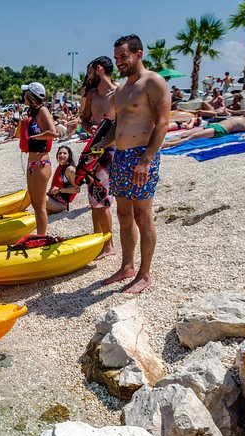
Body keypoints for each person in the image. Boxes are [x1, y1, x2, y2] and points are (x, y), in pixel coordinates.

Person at [93, 34, 171, 293]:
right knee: (123, 215)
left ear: (139, 54)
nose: (119, 62)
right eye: (116, 58)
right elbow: (118, 125)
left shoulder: (154, 82)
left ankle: (144, 274)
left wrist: (146, 161)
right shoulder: (122, 90)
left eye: (123, 57)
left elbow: (162, 123)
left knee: (142, 216)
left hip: (141, 157)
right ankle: (127, 266)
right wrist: (101, 145)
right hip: (121, 157)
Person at [80, 55, 118, 259]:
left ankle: (109, 245)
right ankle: (98, 240)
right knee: (93, 196)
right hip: (93, 149)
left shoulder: (119, 92)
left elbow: (122, 121)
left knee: (102, 199)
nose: (88, 76)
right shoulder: (93, 94)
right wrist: (90, 127)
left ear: (99, 69)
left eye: (90, 72)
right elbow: (84, 120)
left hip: (109, 151)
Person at [17, 82, 57, 235]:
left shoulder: (43, 111)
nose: (23, 96)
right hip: (31, 163)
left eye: (25, 93)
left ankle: (41, 237)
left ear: (31, 95)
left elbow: (53, 132)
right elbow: (18, 136)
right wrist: (22, 122)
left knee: (40, 206)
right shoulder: (30, 112)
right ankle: (39, 235)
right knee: (34, 204)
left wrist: (35, 137)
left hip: (41, 162)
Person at [162, 116, 245, 148]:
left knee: (193, 136)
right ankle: (168, 141)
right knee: (184, 134)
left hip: (220, 130)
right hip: (214, 125)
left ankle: (169, 144)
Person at [46, 146, 79, 214]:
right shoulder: (60, 167)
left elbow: (77, 189)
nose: (62, 155)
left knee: (37, 196)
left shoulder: (70, 170)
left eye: (65, 153)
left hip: (60, 204)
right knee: (32, 192)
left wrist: (59, 190)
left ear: (69, 156)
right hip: (53, 199)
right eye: (60, 153)